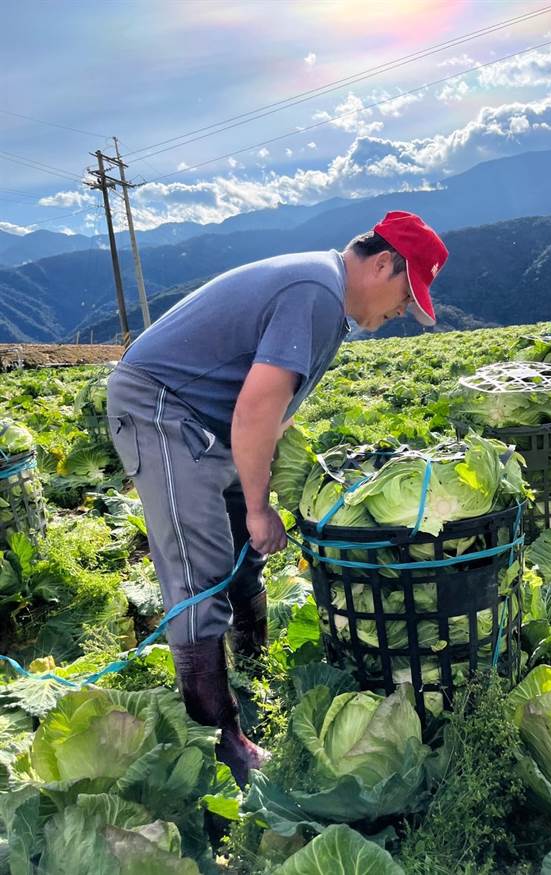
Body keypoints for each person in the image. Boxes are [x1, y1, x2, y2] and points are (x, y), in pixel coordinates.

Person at [106, 210, 449, 786]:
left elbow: (268, 404)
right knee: (201, 574)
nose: (399, 316)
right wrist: (262, 506)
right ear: (383, 264)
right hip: (162, 410)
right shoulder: (316, 292)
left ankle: (254, 661)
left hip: (213, 420)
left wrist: (269, 493)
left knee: (244, 549)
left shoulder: (326, 297)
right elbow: (258, 407)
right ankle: (223, 741)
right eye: (404, 297)